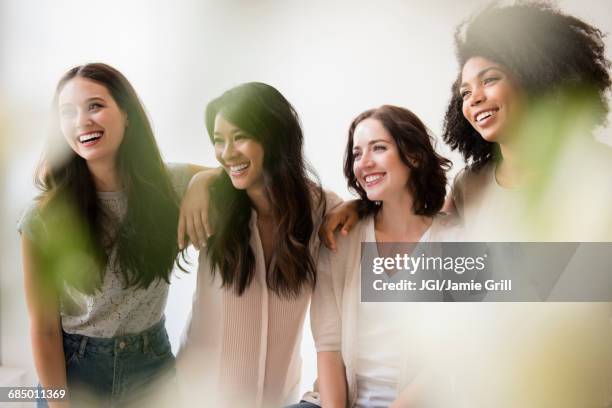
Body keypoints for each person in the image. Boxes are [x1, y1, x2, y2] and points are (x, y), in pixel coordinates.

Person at [19, 63, 207, 407]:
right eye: (68, 112)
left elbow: (239, 175)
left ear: (127, 113)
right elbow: (43, 329)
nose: (82, 121)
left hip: (152, 369)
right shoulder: (44, 218)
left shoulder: (171, 184)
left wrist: (203, 182)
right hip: (76, 371)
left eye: (95, 106)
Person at [176, 82, 341, 408]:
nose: (226, 153)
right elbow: (136, 177)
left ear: (274, 136)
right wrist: (199, 179)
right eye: (218, 141)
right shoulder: (209, 201)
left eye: (239, 137)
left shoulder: (323, 211)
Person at [289, 105, 452, 408]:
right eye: (356, 154)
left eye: (378, 148)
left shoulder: (454, 240)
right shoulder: (341, 237)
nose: (364, 163)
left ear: (414, 156)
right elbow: (329, 346)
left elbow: (450, 357)